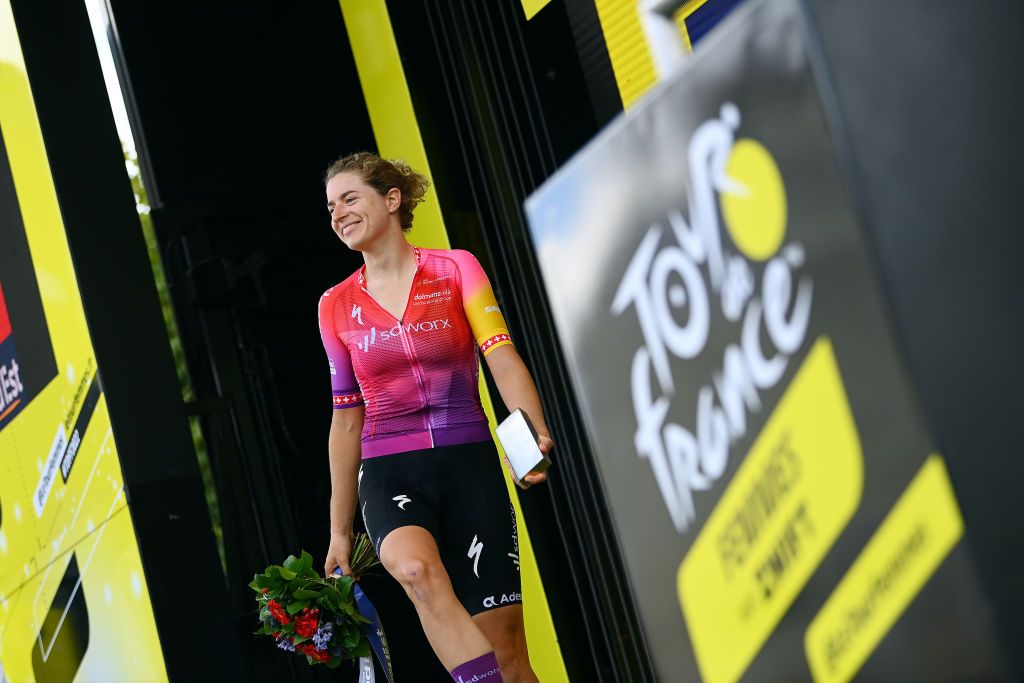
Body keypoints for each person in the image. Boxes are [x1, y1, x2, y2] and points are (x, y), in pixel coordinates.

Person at [318, 152, 552, 683]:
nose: (338, 213)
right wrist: (338, 529)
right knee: (416, 572)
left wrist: (527, 444)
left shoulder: (455, 268)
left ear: (392, 199)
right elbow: (345, 418)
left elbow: (501, 358)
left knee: (509, 655)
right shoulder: (333, 306)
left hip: (469, 463)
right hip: (388, 469)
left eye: (350, 198)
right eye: (331, 206)